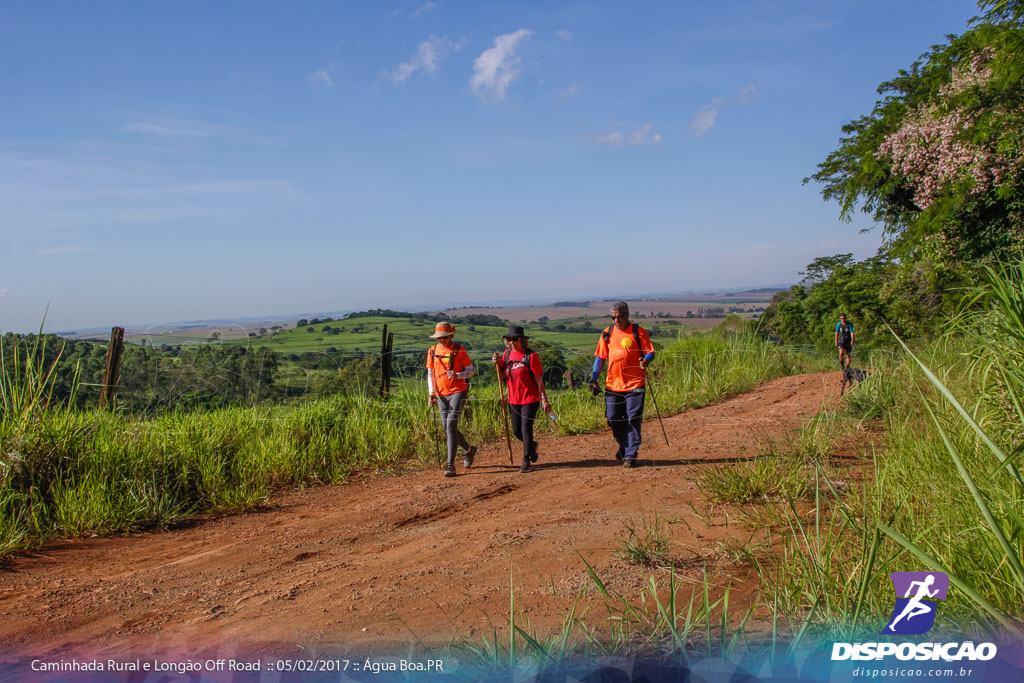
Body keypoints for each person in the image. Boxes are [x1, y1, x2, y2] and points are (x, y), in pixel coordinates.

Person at [589, 301, 655, 468]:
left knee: (633, 419)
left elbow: (650, 352)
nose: (616, 320)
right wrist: (594, 379)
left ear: (627, 315)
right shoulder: (607, 333)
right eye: (613, 317)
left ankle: (631, 455)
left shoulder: (637, 332)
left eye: (619, 316)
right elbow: (600, 358)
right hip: (613, 385)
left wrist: (645, 361)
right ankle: (625, 445)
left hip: (635, 384)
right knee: (612, 418)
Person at [493, 326, 551, 473]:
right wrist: (497, 364)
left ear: (522, 340)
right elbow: (501, 376)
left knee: (525, 428)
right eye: (510, 339)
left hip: (530, 398)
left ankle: (526, 460)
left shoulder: (530, 356)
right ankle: (531, 446)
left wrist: (544, 399)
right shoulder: (506, 355)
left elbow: (538, 379)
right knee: (516, 430)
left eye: (516, 339)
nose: (513, 342)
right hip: (513, 399)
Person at [426, 321, 477, 477]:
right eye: (439, 338)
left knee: (450, 426)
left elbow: (471, 370)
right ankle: (469, 450)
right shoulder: (432, 351)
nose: (442, 340)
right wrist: (431, 393)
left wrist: (458, 375)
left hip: (458, 391)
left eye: (445, 338)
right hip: (441, 393)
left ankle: (450, 465)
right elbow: (430, 374)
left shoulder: (459, 350)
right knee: (447, 427)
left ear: (451, 335)